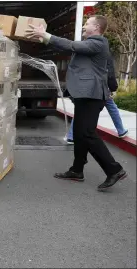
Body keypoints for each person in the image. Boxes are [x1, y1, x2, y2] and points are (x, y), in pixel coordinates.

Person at [25, 15, 128, 191]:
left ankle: (114, 169)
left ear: (96, 28)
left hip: (93, 97)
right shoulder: (90, 43)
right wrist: (44, 39)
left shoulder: (98, 43)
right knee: (80, 134)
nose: (84, 25)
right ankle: (77, 170)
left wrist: (46, 35)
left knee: (87, 133)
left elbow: (71, 45)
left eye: (87, 23)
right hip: (85, 96)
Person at [64, 53, 128, 144]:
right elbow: (110, 73)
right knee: (112, 107)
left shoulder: (85, 55)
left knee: (81, 110)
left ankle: (71, 136)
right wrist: (113, 87)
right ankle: (121, 130)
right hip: (102, 87)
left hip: (86, 88)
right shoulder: (104, 54)